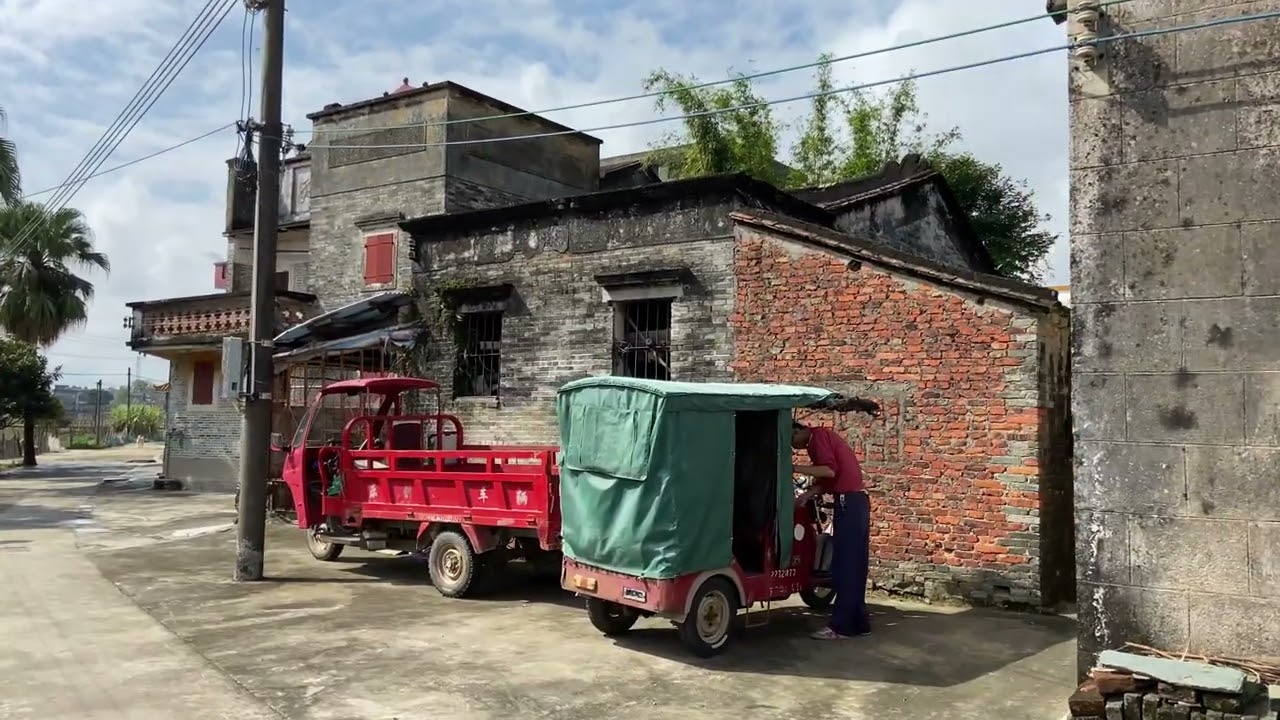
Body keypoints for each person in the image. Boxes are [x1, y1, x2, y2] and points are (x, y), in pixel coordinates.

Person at [792, 419, 872, 640]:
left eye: (791, 439)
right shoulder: (821, 437)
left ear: (799, 430)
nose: (793, 446)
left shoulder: (816, 438)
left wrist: (793, 467)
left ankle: (841, 627)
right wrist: (808, 495)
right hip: (856, 502)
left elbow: (828, 470)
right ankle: (858, 622)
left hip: (848, 501)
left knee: (845, 564)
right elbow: (829, 479)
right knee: (855, 564)